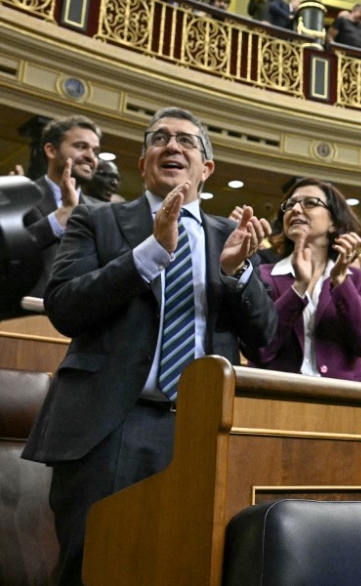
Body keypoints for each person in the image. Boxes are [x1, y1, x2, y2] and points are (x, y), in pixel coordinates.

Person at [21, 107, 277, 586]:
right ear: (143, 163)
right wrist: (151, 253)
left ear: (207, 168)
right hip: (109, 424)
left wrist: (236, 274)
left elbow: (264, 338)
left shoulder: (232, 236)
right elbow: (64, 306)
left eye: (186, 141)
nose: (172, 146)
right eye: (159, 138)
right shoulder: (97, 220)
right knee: (94, 568)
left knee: (188, 569)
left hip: (202, 430)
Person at [245, 178, 361, 382]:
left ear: (333, 221)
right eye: (290, 205)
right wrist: (298, 289)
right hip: (275, 396)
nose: (296, 209)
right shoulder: (261, 274)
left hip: (343, 400)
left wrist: (341, 281)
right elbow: (259, 350)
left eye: (310, 203)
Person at [22, 115, 101, 298]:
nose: (91, 157)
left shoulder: (102, 211)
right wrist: (60, 217)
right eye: (81, 146)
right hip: (21, 319)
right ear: (51, 150)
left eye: (95, 151)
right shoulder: (17, 197)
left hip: (80, 321)